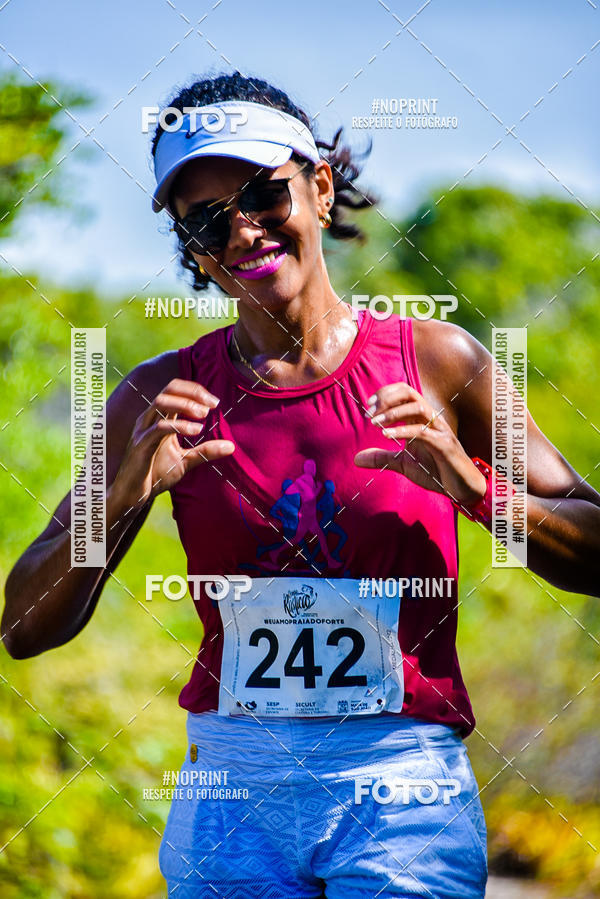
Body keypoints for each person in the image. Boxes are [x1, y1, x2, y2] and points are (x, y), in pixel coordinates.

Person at [4, 70, 600, 899]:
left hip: (401, 786)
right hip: (233, 789)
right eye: (209, 220)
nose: (243, 228)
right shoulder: (159, 395)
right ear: (194, 250)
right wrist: (121, 500)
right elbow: (24, 626)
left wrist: (475, 491)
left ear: (318, 187)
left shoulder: (436, 361)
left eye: (261, 193)